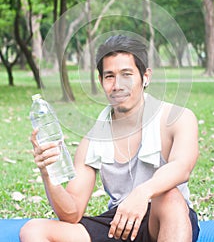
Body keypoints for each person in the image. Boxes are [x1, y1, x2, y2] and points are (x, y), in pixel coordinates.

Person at [20, 35, 200, 242]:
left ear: (146, 77)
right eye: (109, 76)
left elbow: (181, 167)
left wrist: (142, 193)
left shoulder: (177, 118)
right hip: (120, 224)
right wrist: (48, 172)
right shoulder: (92, 141)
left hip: (166, 220)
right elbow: (71, 213)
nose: (117, 85)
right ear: (101, 81)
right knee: (34, 230)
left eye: (127, 74)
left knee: (169, 197)